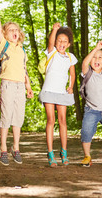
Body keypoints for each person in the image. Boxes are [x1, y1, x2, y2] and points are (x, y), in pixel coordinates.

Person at [0, 0, 34, 166]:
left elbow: (24, 70)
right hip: (8, 84)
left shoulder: (22, 49)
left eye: (16, 29)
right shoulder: (4, 44)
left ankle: (15, 147)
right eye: (10, 30)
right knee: (6, 117)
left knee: (18, 118)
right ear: (4, 33)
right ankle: (3, 148)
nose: (14, 32)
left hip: (20, 86)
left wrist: (28, 86)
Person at [38, 23, 77, 167]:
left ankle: (64, 152)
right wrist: (54, 30)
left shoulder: (70, 57)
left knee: (63, 121)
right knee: (50, 120)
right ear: (55, 42)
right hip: (48, 91)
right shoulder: (51, 52)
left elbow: (72, 74)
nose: (61, 43)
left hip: (62, 93)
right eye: (59, 40)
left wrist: (71, 87)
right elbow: (50, 42)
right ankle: (50, 153)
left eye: (64, 41)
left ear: (68, 44)